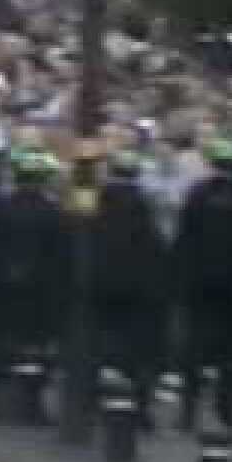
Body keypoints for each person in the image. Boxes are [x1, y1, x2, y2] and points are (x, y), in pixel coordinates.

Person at [172, 138, 232, 434]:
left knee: (193, 352)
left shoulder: (197, 194)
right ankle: (227, 413)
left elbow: (184, 240)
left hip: (199, 287)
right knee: (231, 356)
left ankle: (188, 412)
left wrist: (180, 279)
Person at [90, 150, 171, 433]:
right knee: (136, 357)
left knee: (103, 350)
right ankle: (135, 411)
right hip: (140, 296)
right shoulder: (144, 210)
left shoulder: (98, 207)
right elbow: (158, 250)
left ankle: (98, 404)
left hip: (102, 291)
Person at [0, 147, 68, 425]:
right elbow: (61, 257)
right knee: (34, 352)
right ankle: (30, 407)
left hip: (3, 290)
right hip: (38, 294)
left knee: (2, 347)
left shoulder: (0, 208)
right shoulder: (52, 213)